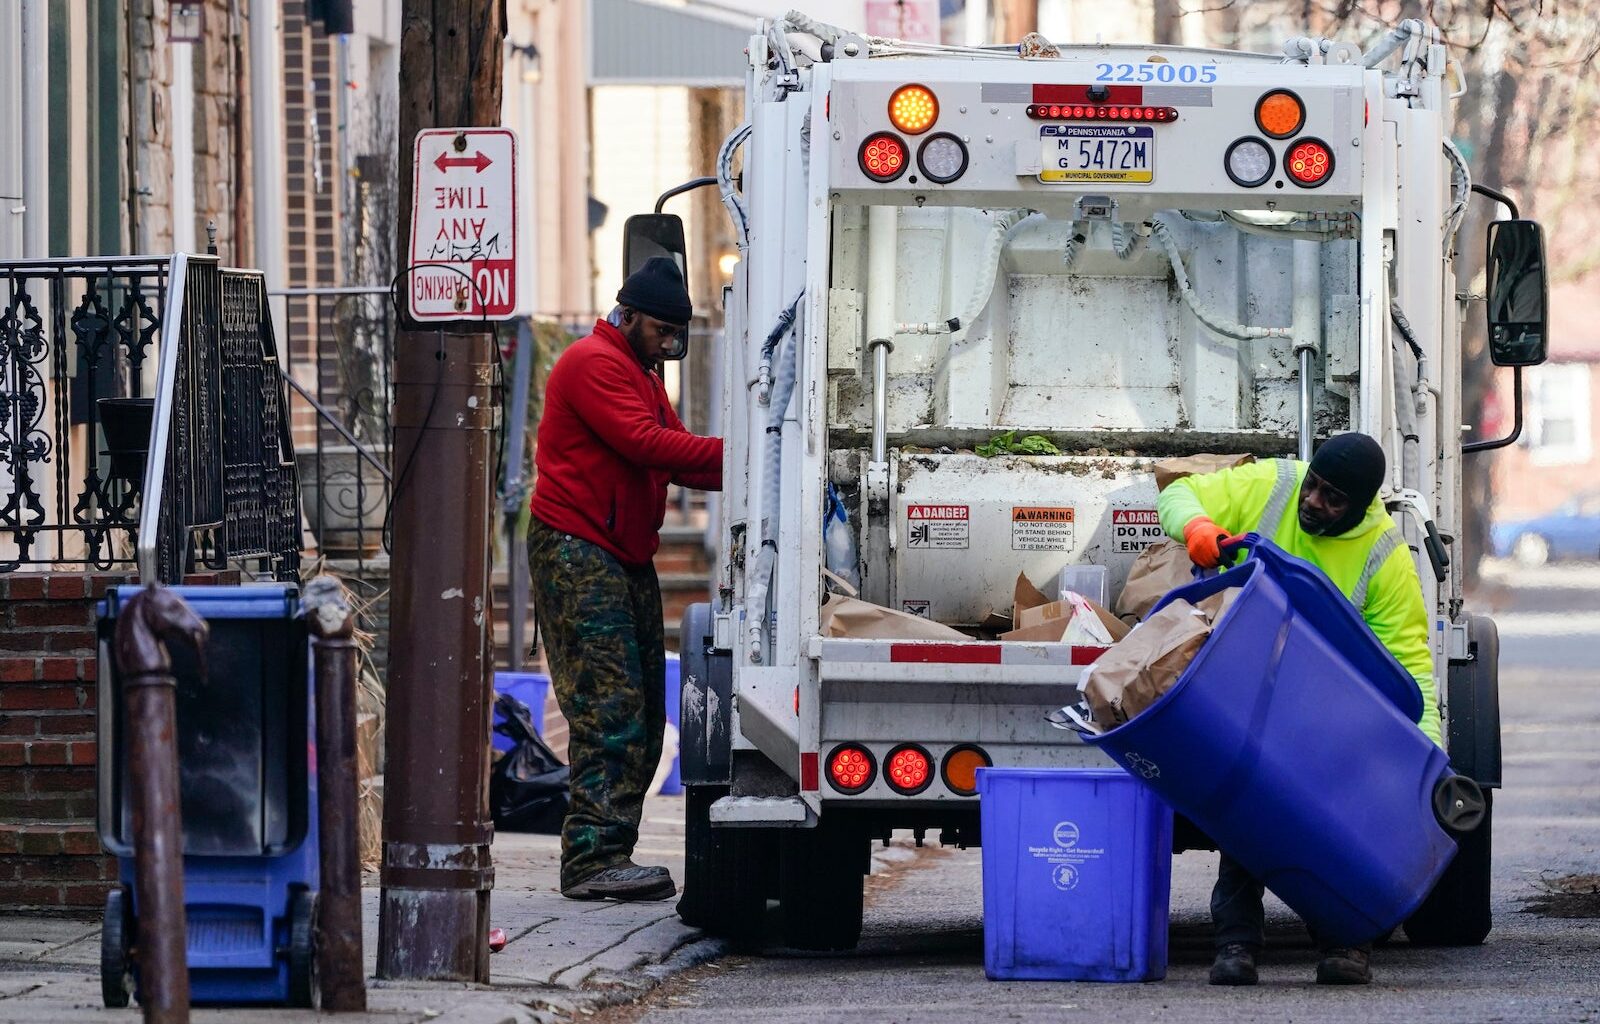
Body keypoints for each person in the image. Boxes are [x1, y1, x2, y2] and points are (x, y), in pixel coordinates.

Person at [1156, 432, 1440, 988]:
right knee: (1247, 809)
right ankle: (1236, 944)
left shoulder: (1386, 556)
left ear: (1361, 508)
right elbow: (1179, 493)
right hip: (1249, 684)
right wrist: (1197, 529)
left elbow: (1410, 669)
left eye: (1334, 499)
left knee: (1337, 820)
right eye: (1315, 485)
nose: (1313, 501)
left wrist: (1422, 760)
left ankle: (1344, 944)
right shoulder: (1277, 483)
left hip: (1328, 707)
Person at [528, 256, 722, 902]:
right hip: (578, 548)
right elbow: (647, 445)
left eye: (676, 335)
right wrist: (746, 451)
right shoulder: (593, 363)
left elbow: (675, 451)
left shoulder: (637, 370)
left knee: (640, 710)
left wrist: (754, 461)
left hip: (619, 551)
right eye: (661, 331)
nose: (669, 345)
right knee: (608, 707)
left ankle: (611, 851)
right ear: (629, 314)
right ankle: (590, 858)